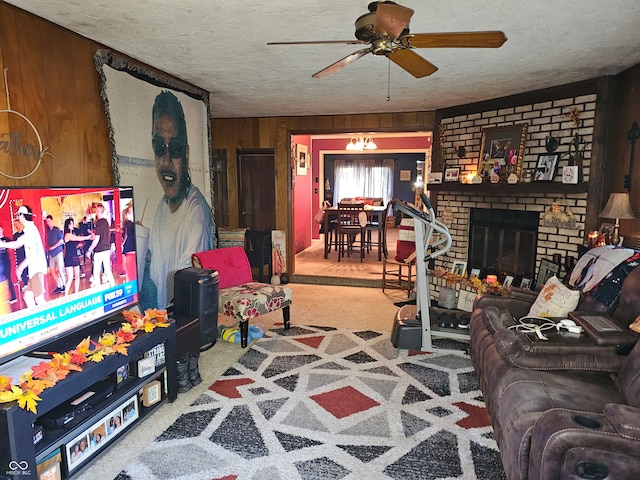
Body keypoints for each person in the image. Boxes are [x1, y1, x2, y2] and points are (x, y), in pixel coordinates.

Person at [140, 90, 213, 310]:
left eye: (176, 149)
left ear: (187, 154)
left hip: (184, 317)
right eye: (160, 147)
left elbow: (186, 280)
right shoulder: (162, 207)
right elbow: (155, 269)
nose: (167, 160)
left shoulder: (196, 211)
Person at [0, 206, 48, 307]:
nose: (18, 217)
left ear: (22, 215)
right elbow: (18, 243)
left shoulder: (30, 231)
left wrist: (20, 268)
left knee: (39, 299)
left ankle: (50, 320)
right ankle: (37, 318)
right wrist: (3, 244)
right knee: (27, 296)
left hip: (36, 268)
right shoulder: (29, 229)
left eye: (18, 215)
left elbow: (32, 255)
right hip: (34, 269)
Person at [86, 203, 116, 288]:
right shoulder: (106, 222)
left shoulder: (99, 223)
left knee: (96, 271)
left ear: (99, 211)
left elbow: (97, 239)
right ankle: (113, 285)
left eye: (96, 211)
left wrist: (89, 250)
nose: (95, 213)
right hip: (106, 248)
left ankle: (98, 289)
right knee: (107, 269)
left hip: (99, 250)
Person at [63, 218, 94, 296]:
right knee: (70, 278)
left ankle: (76, 293)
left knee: (77, 276)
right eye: (70, 224)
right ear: (67, 226)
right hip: (69, 257)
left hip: (75, 256)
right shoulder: (67, 235)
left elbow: (75, 242)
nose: (72, 225)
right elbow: (77, 238)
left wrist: (77, 245)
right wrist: (88, 237)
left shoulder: (73, 233)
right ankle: (66, 294)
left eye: (72, 223)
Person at [45, 215, 66, 294]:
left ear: (52, 221)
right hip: (52, 254)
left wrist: (53, 247)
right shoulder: (48, 232)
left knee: (60, 270)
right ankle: (59, 285)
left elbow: (61, 241)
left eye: (49, 221)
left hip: (58, 252)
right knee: (52, 271)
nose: (48, 223)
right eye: (47, 222)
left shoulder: (57, 230)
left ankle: (65, 285)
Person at [0, 225, 17, 304]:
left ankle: (13, 296)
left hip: (6, 261)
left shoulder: (6, 239)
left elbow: (13, 244)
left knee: (8, 278)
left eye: (0, 229)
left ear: (2, 230)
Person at [121, 202, 136, 281]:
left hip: (130, 245)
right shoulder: (130, 223)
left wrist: (123, 244)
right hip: (132, 245)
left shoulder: (127, 223)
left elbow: (126, 235)